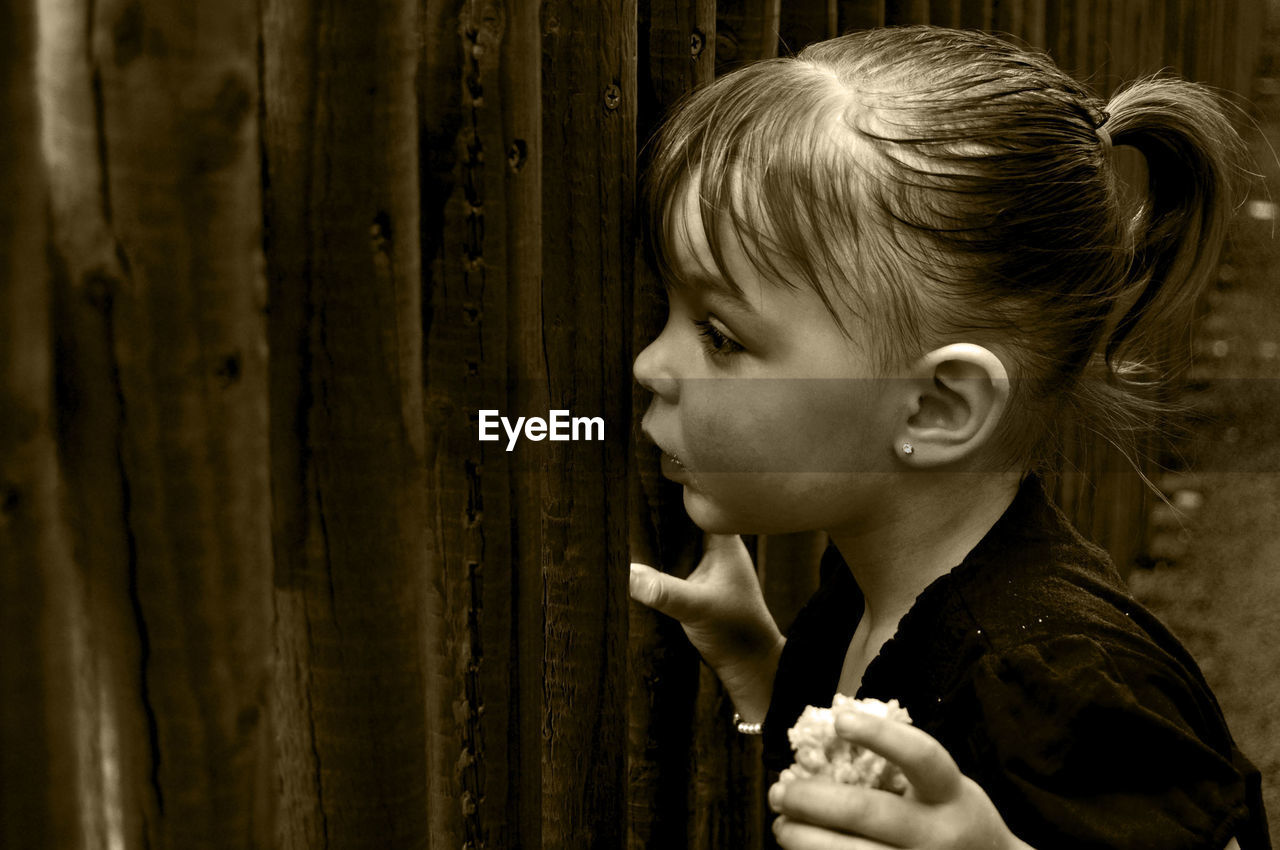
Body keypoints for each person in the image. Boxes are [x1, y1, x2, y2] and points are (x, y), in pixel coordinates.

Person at [628, 26, 1271, 850]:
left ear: (937, 408)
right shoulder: (875, 590)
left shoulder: (1057, 685)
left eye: (720, 336)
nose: (651, 363)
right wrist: (768, 668)